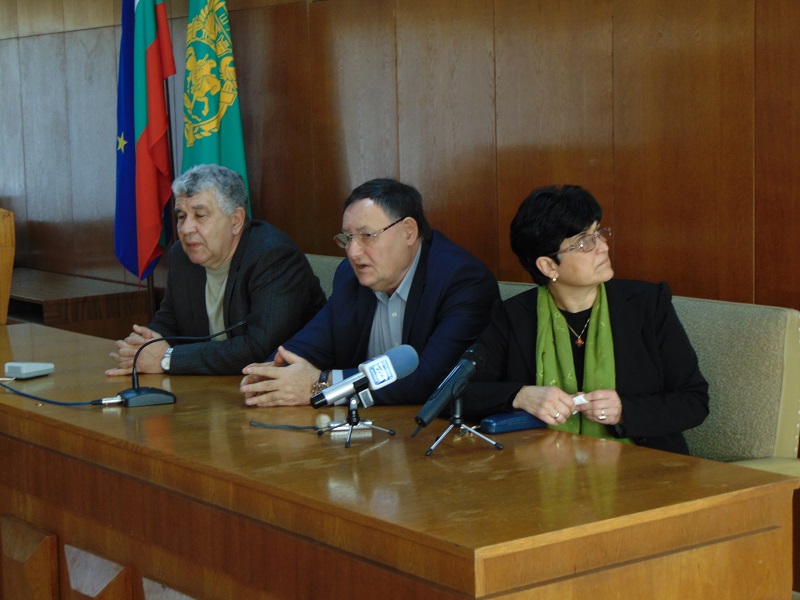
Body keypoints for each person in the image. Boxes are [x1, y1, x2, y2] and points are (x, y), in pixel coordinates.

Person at [461, 185, 709, 454]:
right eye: (584, 242)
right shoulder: (514, 316)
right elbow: (458, 394)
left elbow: (694, 400)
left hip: (644, 467)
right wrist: (519, 396)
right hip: (542, 467)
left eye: (599, 233)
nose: (603, 247)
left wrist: (624, 411)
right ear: (548, 266)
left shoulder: (647, 305)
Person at [240, 177, 499, 406]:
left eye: (367, 236)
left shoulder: (462, 281)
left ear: (408, 231)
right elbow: (307, 345)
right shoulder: (351, 277)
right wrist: (273, 375)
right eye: (347, 238)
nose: (353, 252)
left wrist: (322, 384)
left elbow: (431, 381)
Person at [106, 164, 326, 377]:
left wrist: (167, 358)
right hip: (212, 384)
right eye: (181, 216)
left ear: (236, 221)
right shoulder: (181, 256)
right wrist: (144, 346)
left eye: (200, 215)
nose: (185, 229)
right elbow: (170, 320)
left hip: (286, 387)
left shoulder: (274, 256)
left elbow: (259, 348)